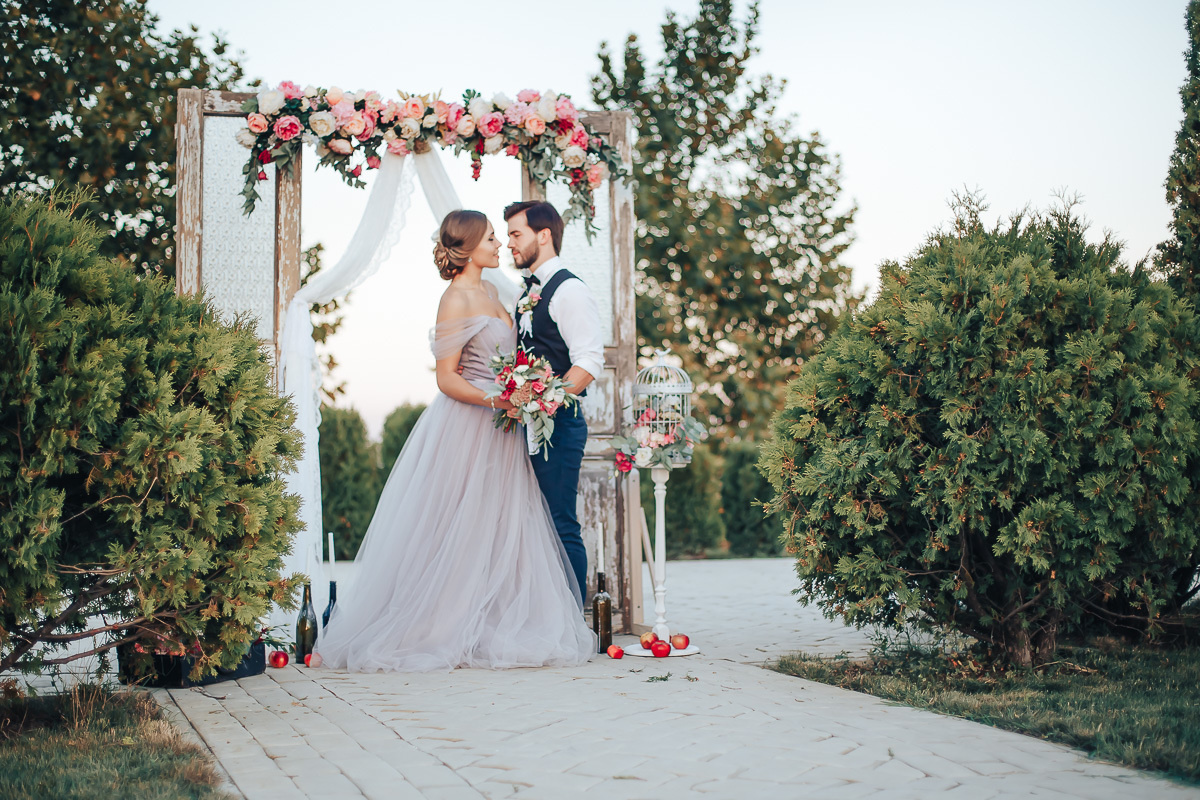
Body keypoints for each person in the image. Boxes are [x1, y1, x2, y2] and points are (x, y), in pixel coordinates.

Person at [316, 210, 595, 672]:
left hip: (505, 429)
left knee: (501, 525)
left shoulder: (493, 290)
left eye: (503, 236)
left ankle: (492, 619)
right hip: (470, 425)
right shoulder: (455, 299)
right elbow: (447, 378)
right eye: (491, 237)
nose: (499, 244)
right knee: (458, 524)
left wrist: (523, 394)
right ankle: (440, 625)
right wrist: (501, 400)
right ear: (466, 248)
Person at [505, 201, 605, 605]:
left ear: (542, 235)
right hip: (527, 427)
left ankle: (573, 623)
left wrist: (545, 400)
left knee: (561, 524)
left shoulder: (570, 290)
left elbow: (589, 361)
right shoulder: (527, 290)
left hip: (559, 428)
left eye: (516, 234)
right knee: (532, 524)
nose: (510, 243)